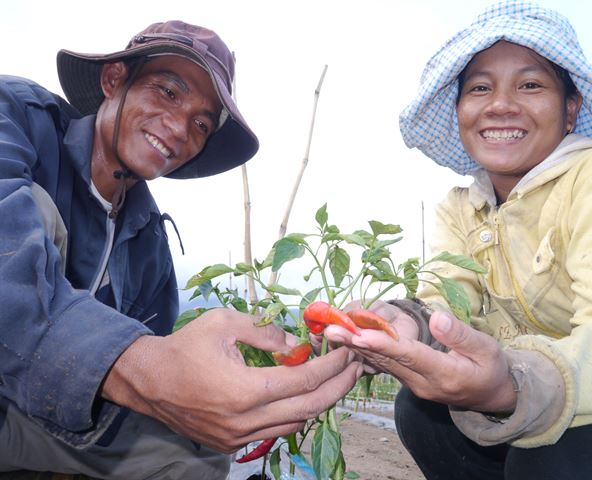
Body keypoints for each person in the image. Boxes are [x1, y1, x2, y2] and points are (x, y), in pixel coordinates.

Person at [0, 21, 361, 479]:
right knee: (33, 209)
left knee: (193, 453)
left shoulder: (148, 242)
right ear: (114, 80)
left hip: (36, 419)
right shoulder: (15, 115)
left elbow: (163, 359)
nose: (178, 127)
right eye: (168, 92)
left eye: (201, 123)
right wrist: (144, 369)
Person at [323, 2, 592, 479]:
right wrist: (406, 324)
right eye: (480, 88)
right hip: (526, 392)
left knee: (555, 455)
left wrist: (511, 385)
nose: (501, 104)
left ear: (570, 108)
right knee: (420, 411)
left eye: (530, 85)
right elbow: (448, 305)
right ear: (460, 110)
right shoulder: (462, 206)